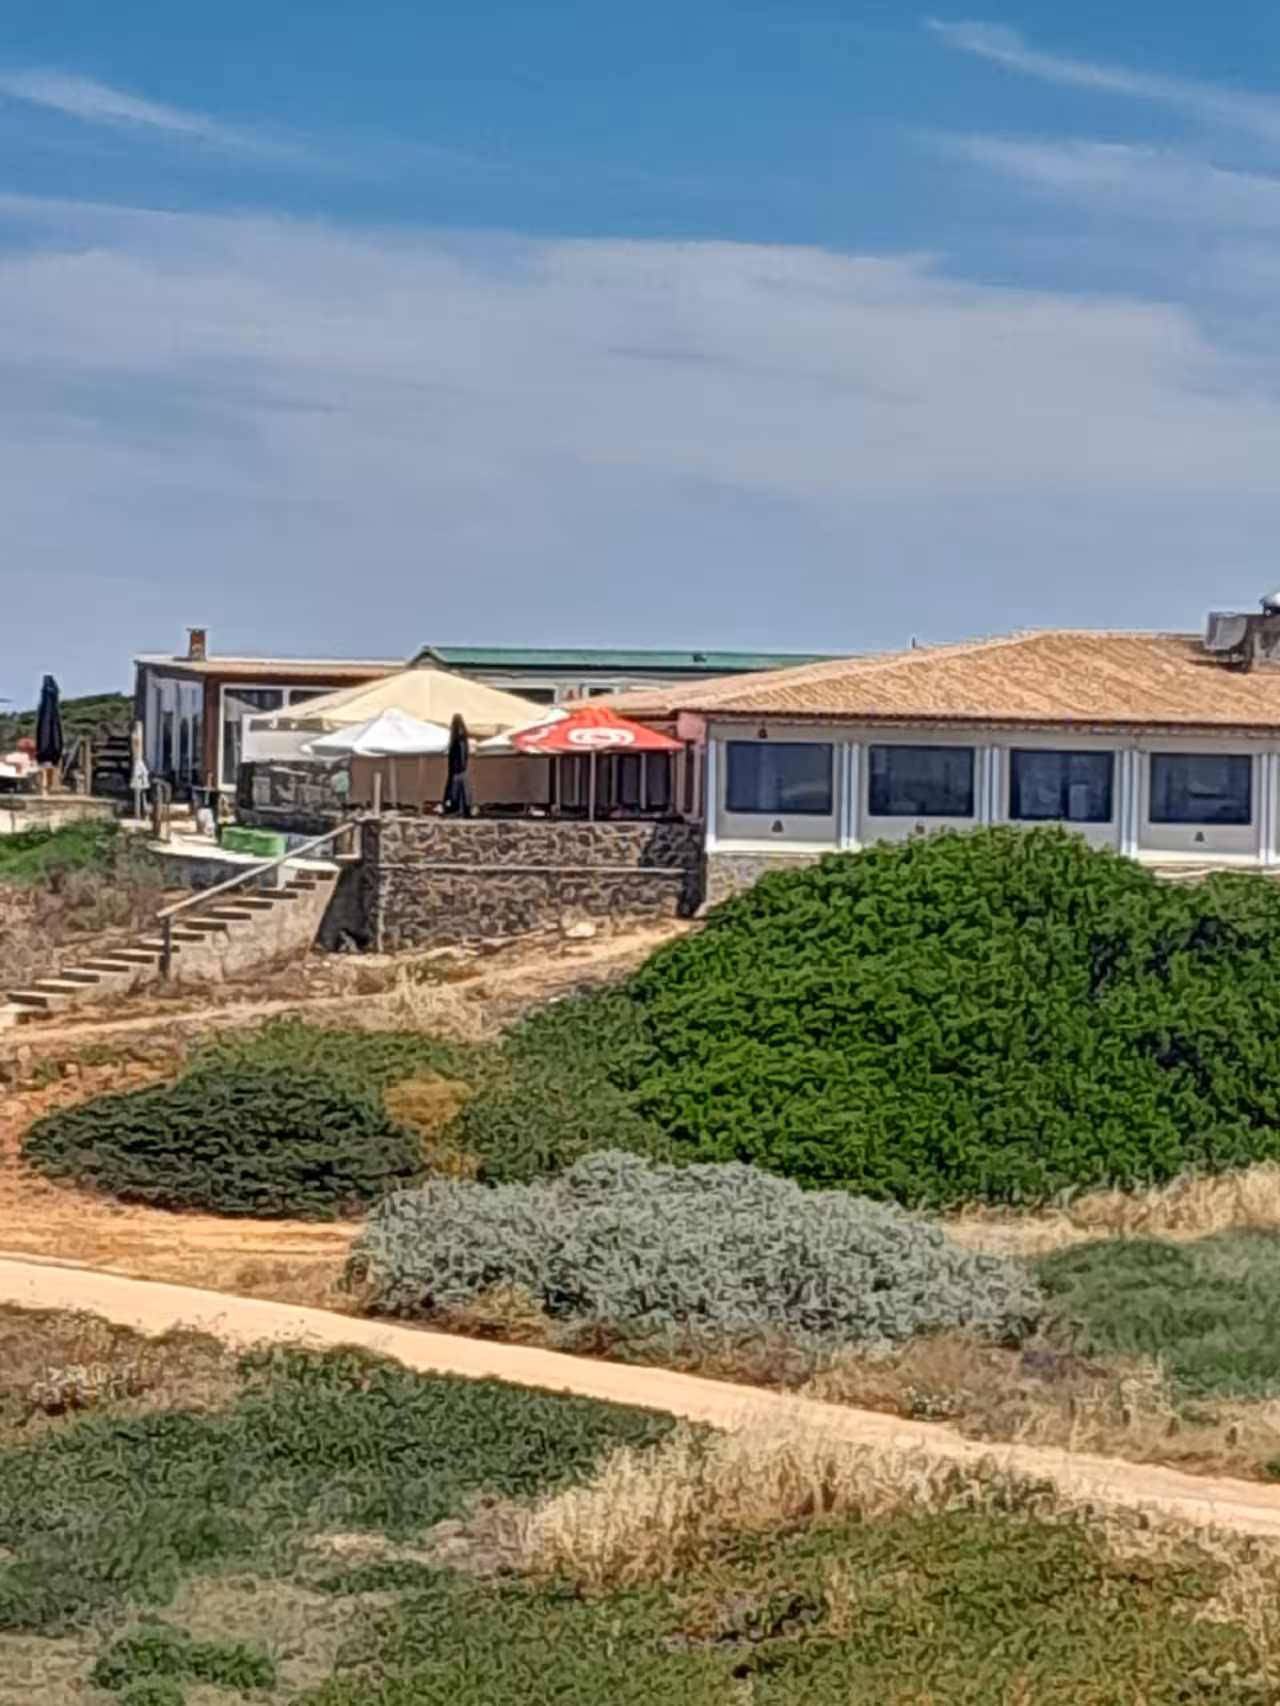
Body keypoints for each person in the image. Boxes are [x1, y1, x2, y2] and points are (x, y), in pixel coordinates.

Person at [442, 714, 472, 817]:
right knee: (461, 792)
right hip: (460, 771)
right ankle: (462, 810)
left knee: (456, 792)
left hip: (457, 771)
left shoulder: (456, 739)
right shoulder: (463, 739)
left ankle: (457, 809)